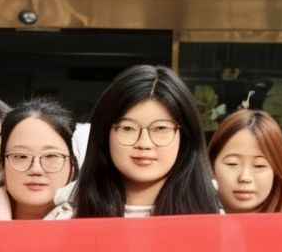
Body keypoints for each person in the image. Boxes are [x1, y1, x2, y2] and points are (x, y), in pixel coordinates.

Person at [74, 65, 220, 218]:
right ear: (104, 134)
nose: (144, 144)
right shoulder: (68, 213)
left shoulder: (216, 215)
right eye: (128, 128)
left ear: (185, 136)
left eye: (161, 128)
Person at [210, 110, 282, 213]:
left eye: (259, 166)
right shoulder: (194, 214)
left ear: (276, 171)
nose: (245, 177)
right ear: (211, 165)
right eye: (232, 163)